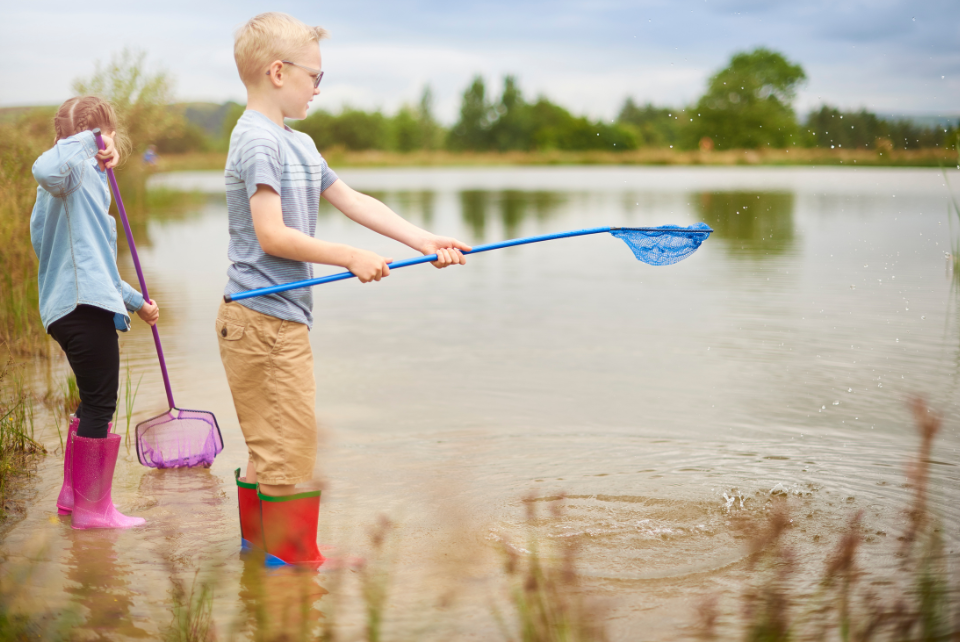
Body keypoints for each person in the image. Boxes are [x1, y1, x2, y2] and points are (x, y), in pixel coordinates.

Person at [218, 12, 470, 567]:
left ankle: (260, 557)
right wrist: (348, 256)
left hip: (270, 320)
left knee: (271, 446)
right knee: (290, 450)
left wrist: (424, 241)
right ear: (278, 72)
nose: (318, 89)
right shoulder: (257, 140)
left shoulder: (299, 143)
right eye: (315, 77)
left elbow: (356, 201)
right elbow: (271, 233)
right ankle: (291, 567)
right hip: (262, 323)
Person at [32, 96, 159, 530]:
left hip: (72, 306)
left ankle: (72, 497)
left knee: (91, 404)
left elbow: (93, 265)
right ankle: (93, 510)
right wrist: (94, 140)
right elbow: (47, 166)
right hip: (83, 309)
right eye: (106, 135)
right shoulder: (67, 177)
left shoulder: (75, 182)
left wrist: (137, 302)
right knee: (101, 406)